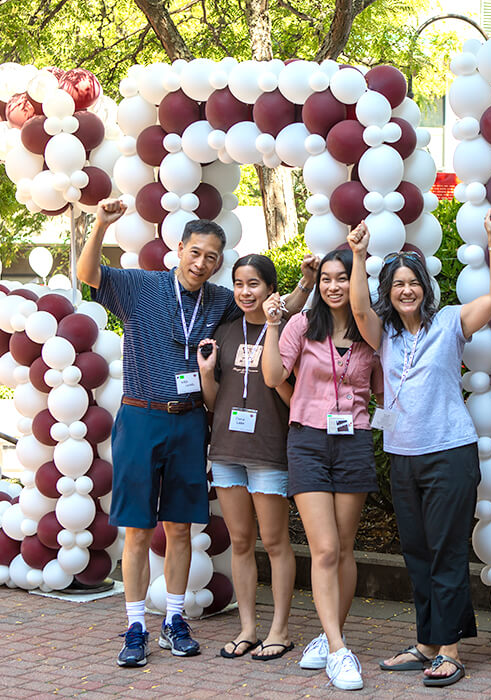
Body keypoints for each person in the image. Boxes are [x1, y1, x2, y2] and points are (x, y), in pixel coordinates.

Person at [77, 200, 313, 668]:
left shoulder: (222, 299)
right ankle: (136, 625)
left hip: (189, 420)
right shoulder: (140, 285)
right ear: (179, 248)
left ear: (218, 262)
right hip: (141, 417)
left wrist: (305, 283)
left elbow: (276, 309)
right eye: (195, 252)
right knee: (138, 530)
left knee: (180, 527)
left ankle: (175, 621)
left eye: (211, 257)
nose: (201, 262)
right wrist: (101, 225)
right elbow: (89, 274)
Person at [346, 212, 491, 687]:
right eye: (396, 284)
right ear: (388, 292)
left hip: (448, 453)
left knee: (446, 550)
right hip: (402, 454)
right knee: (416, 550)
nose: (405, 290)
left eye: (412, 282)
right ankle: (425, 644)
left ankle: (451, 650)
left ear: (425, 286)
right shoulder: (386, 334)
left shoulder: (450, 322)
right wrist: (358, 255)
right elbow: (358, 310)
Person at [261, 248, 380, 691]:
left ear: (357, 281)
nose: (333, 285)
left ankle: (332, 636)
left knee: (345, 549)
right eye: (326, 278)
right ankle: (336, 651)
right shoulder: (302, 325)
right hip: (308, 441)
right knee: (325, 548)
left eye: (342, 277)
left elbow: (384, 389)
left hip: (354, 441)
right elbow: (274, 375)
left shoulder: (371, 332)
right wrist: (273, 326)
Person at [197, 254, 299, 662]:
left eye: (253, 284)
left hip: (268, 451)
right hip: (226, 451)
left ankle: (281, 629)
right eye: (239, 283)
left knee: (275, 542)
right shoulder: (223, 332)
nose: (244, 292)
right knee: (240, 542)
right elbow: (214, 403)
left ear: (271, 288)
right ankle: (247, 628)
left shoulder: (288, 331)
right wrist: (206, 374)